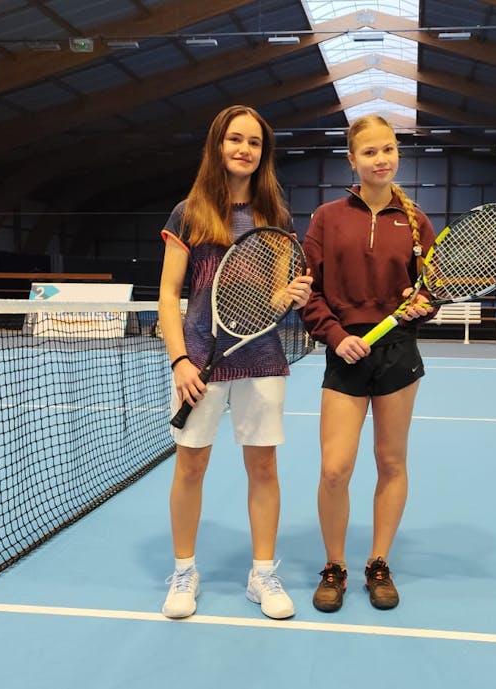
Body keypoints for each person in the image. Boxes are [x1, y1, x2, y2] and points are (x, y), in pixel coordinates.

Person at [157, 105, 313, 620]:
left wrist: (290, 295)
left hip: (261, 358)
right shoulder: (189, 213)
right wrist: (180, 360)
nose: (244, 149)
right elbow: (169, 295)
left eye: (254, 142)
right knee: (190, 466)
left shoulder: (275, 217)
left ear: (263, 153)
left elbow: (271, 299)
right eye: (235, 139)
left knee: (263, 467)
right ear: (217, 145)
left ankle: (262, 573)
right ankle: (184, 571)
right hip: (197, 361)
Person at [300, 114, 437, 612]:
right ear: (352, 160)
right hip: (345, 352)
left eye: (389, 149)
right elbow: (308, 291)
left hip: (398, 352)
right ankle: (334, 566)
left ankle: (378, 563)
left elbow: (431, 291)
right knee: (335, 468)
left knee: (390, 461)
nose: (382, 159)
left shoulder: (417, 221)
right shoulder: (327, 217)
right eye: (370, 152)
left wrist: (423, 305)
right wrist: (336, 337)